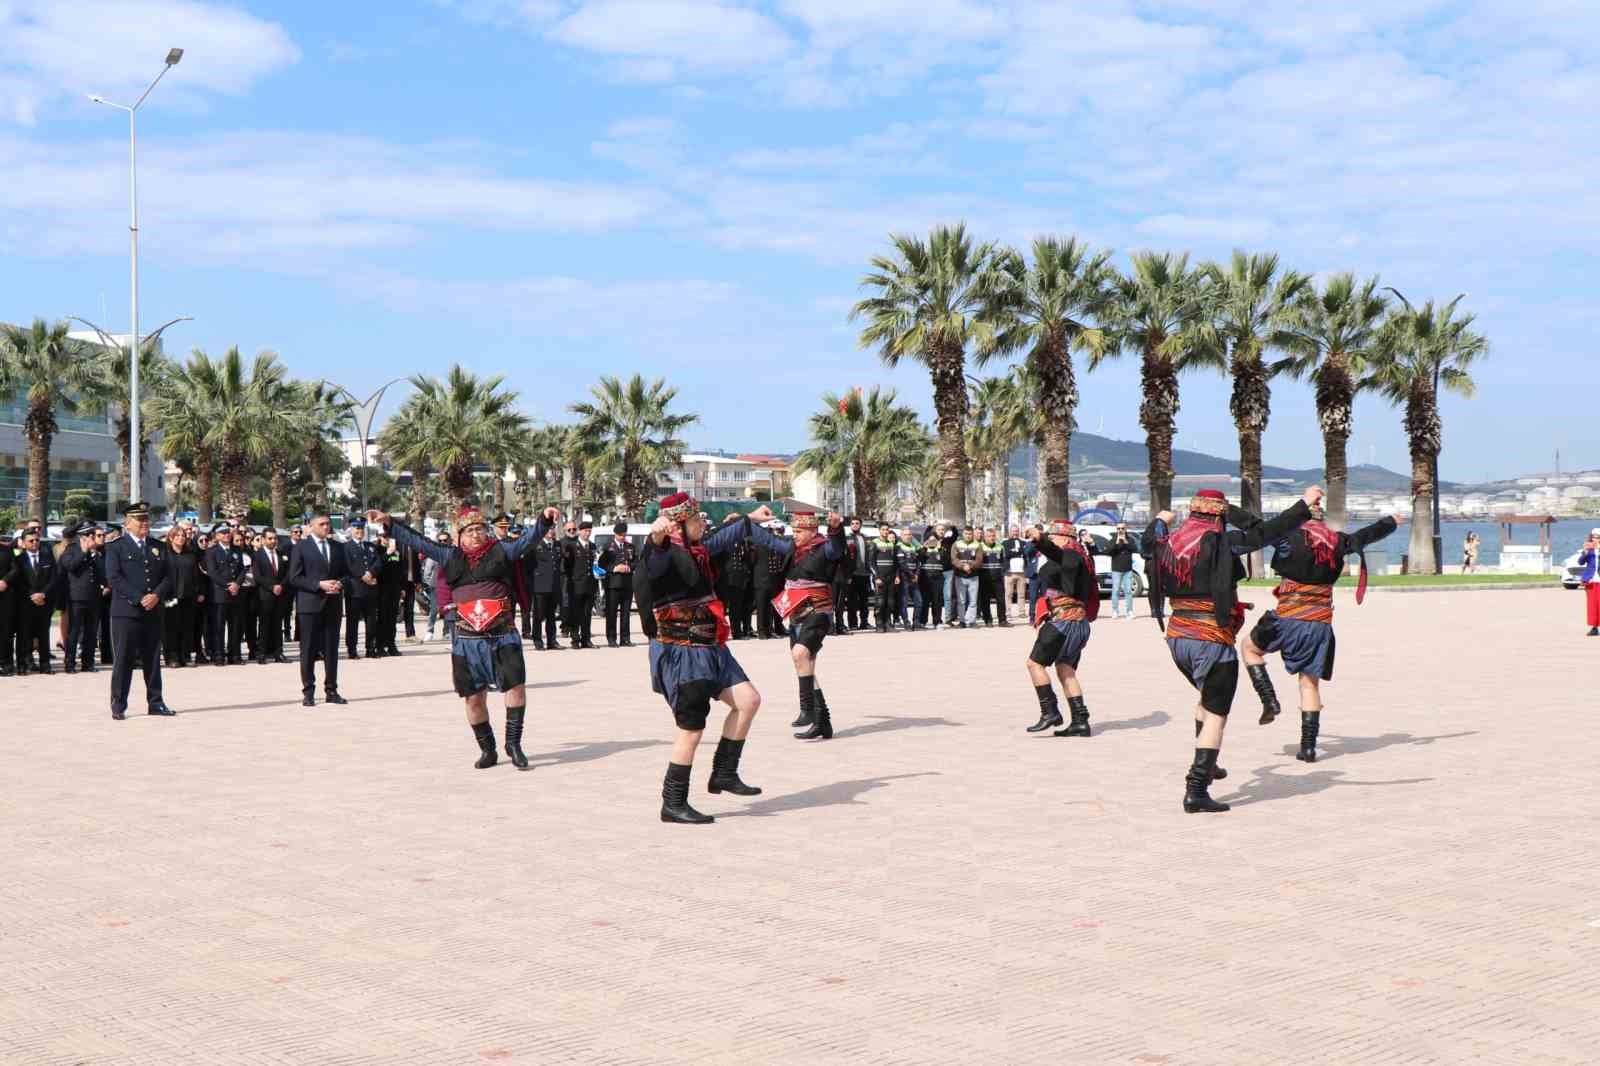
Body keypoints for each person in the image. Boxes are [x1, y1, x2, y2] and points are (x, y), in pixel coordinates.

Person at [1143, 486, 1320, 814]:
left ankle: (1209, 765)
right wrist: (1303, 504)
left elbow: (1147, 542)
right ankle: (1197, 788)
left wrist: (1159, 520)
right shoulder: (1220, 542)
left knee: (1205, 698)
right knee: (1216, 714)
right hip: (1210, 640)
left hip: (1178, 636)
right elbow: (1265, 532)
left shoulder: (1166, 542)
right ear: (1218, 515)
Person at [369, 504, 560, 769]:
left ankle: (513, 744)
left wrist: (545, 520)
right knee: (473, 696)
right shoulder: (449, 555)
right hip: (467, 639)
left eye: (480, 529)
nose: (475, 534)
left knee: (516, 687)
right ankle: (488, 749)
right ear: (459, 535)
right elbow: (417, 540)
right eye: (469, 531)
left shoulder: (503, 550)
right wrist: (390, 520)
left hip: (503, 634)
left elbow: (528, 539)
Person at [637, 495, 788, 823]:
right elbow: (654, 564)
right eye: (697, 520)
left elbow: (727, 534)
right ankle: (673, 803)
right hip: (683, 653)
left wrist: (753, 518)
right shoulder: (662, 552)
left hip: (712, 647)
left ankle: (724, 772)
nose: (703, 524)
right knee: (691, 730)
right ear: (680, 523)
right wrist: (657, 538)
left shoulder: (698, 549)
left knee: (749, 700)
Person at [1241, 506, 1402, 762]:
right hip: (1319, 622)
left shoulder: (1286, 536)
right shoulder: (1338, 541)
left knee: (1249, 648)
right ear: (1322, 518)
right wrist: (1391, 522)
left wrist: (1225, 511)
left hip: (1286, 617)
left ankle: (1269, 699)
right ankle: (1308, 748)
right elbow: (1367, 535)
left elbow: (1253, 525)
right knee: (1309, 684)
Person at [774, 511, 849, 738]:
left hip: (818, 611)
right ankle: (822, 722)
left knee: (800, 654)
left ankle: (806, 709)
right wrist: (749, 525)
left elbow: (837, 548)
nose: (794, 535)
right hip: (796, 613)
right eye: (793, 531)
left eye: (798, 531)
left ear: (812, 531)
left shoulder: (824, 548)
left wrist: (835, 529)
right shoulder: (793, 550)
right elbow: (768, 541)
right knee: (806, 665)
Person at [1023, 519, 1100, 736]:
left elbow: (1056, 554)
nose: (1051, 540)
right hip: (1077, 622)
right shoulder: (1078, 557)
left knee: (1034, 664)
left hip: (1064, 621)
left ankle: (1050, 712)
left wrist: (1040, 540)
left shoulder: (1072, 555)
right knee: (1065, 669)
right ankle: (1080, 720)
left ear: (1065, 538)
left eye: (1053, 536)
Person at [105, 502, 176, 719]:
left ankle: (156, 702)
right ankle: (118, 705)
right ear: (127, 523)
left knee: (153, 659)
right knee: (124, 659)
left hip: (153, 611)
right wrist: (139, 598)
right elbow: (114, 577)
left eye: (146, 519)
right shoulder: (116, 547)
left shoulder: (158, 546)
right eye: (140, 520)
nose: (145, 523)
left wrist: (156, 595)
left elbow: (168, 576)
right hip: (126, 612)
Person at [287, 513, 352, 707]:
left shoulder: (338, 547)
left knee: (332, 649)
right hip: (310, 605)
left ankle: (331, 690)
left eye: (328, 524)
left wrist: (339, 583)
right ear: (312, 526)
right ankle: (308, 691)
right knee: (308, 650)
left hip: (332, 605)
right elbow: (294, 577)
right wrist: (319, 584)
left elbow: (347, 574)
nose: (326, 527)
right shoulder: (301, 548)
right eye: (322, 524)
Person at [60, 521, 104, 673]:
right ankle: (70, 663)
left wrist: (93, 554)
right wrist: (84, 552)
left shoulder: (96, 552)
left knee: (91, 633)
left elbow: (101, 573)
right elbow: (71, 566)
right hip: (76, 598)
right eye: (90, 535)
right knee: (74, 632)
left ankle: (88, 662)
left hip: (93, 598)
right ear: (82, 537)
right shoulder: (71, 550)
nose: (93, 538)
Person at [15, 524, 58, 674]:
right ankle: (23, 665)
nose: (34, 543)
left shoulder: (48, 558)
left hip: (44, 602)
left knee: (43, 635)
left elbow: (53, 579)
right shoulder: (18, 560)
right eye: (31, 541)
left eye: (37, 540)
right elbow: (19, 581)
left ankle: (45, 665)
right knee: (24, 635)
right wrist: (32, 595)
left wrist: (43, 594)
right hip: (26, 603)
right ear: (24, 542)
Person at [203, 523, 245, 666]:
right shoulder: (211, 551)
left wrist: (237, 584)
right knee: (218, 626)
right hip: (219, 593)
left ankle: (235, 654)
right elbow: (212, 572)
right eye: (223, 533)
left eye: (228, 532)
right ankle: (218, 654)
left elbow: (242, 570)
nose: (227, 534)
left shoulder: (237, 550)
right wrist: (228, 585)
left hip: (235, 593)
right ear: (217, 536)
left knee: (235, 626)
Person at [163, 524, 203, 667]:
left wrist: (198, 591)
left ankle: (184, 656)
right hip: (170, 596)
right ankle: (171, 656)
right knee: (171, 626)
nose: (181, 538)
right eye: (177, 535)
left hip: (188, 595)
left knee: (186, 626)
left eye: (183, 536)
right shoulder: (165, 553)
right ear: (171, 538)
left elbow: (195, 575)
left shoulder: (190, 553)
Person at [343, 517, 381, 659]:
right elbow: (348, 565)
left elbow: (378, 562)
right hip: (355, 590)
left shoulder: (370, 546)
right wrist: (362, 575)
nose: (359, 531)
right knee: (352, 622)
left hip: (370, 589)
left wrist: (371, 573)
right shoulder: (346, 547)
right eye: (356, 528)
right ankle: (352, 649)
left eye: (361, 528)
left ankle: (370, 648)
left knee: (371, 621)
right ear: (351, 530)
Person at [254, 528, 291, 664]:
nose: (273, 541)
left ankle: (278, 652)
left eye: (274, 538)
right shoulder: (258, 555)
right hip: (265, 595)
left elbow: (288, 573)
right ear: (263, 540)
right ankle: (262, 653)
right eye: (270, 538)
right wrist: (271, 587)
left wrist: (281, 585)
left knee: (277, 625)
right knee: (264, 625)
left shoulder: (282, 554)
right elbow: (258, 576)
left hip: (280, 594)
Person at [600, 521, 637, 647]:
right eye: (620, 534)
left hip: (627, 583)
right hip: (613, 584)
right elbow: (602, 564)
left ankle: (625, 638)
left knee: (626, 612)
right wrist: (615, 568)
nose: (622, 536)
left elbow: (636, 562)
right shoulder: (608, 547)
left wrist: (628, 567)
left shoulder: (630, 547)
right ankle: (611, 638)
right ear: (615, 534)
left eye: (624, 534)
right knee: (611, 612)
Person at [564, 521, 600, 648]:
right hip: (576, 585)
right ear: (579, 531)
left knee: (587, 614)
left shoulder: (593, 546)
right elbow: (567, 567)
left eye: (589, 531)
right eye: (585, 531)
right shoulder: (572, 546)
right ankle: (575, 639)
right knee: (575, 613)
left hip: (590, 585)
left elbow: (595, 563)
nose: (587, 533)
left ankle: (586, 639)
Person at [529, 522, 564, 650]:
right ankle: (538, 641)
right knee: (538, 615)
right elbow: (529, 565)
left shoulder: (557, 545)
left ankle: (552, 640)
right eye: (549, 529)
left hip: (553, 585)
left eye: (553, 528)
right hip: (540, 585)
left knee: (551, 616)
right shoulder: (536, 545)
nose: (551, 531)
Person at [374, 530, 406, 656]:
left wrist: (402, 587)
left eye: (389, 536)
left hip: (394, 589)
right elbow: (377, 566)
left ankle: (391, 644)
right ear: (380, 537)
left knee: (392, 619)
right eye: (384, 536)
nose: (387, 538)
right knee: (382, 618)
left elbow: (401, 570)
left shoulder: (397, 551)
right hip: (381, 589)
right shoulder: (377, 550)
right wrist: (387, 553)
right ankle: (380, 646)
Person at [868, 522, 900, 633]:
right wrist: (876, 577)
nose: (885, 532)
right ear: (879, 531)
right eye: (883, 529)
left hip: (891, 578)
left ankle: (888, 623)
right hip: (879, 578)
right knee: (880, 602)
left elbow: (896, 563)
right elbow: (871, 563)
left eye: (887, 529)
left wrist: (896, 576)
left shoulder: (892, 544)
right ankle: (879, 624)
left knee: (890, 602)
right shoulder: (874, 543)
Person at [951, 527, 983, 627]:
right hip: (960, 576)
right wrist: (962, 566)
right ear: (963, 534)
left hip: (973, 576)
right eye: (966, 533)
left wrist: (971, 566)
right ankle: (962, 621)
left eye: (970, 534)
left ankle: (972, 621)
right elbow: (953, 559)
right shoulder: (956, 544)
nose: (968, 535)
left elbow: (979, 560)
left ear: (972, 534)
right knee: (961, 601)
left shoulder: (977, 545)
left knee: (973, 601)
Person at [845, 517, 871, 632]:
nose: (855, 525)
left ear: (861, 525)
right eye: (853, 523)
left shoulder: (865, 538)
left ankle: (864, 622)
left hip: (865, 574)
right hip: (852, 574)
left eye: (857, 523)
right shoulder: (847, 538)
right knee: (851, 601)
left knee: (864, 601)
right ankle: (853, 624)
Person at [1108, 523, 1138, 619]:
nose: (1120, 530)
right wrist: (1117, 542)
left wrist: (1125, 541)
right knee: (1115, 590)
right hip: (1116, 569)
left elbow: (1135, 549)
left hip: (1127, 569)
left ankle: (1129, 611)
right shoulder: (1113, 540)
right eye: (1118, 528)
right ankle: (1115, 611)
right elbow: (1109, 551)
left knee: (1128, 591)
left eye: (1122, 528)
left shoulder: (1130, 540)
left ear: (1126, 529)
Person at [897, 527, 924, 630]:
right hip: (904, 578)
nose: (908, 537)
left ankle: (916, 622)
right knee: (904, 602)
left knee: (919, 601)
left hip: (914, 579)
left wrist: (916, 574)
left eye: (909, 535)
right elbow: (902, 564)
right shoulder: (899, 547)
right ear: (901, 536)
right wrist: (912, 575)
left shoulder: (914, 547)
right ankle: (906, 622)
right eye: (905, 535)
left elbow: (918, 563)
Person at [979, 526, 1006, 626]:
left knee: (1001, 599)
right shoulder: (980, 546)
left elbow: (1003, 561)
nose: (992, 538)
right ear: (985, 537)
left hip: (998, 577)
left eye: (993, 536)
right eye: (989, 536)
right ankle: (988, 620)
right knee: (985, 600)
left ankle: (1002, 620)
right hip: (984, 577)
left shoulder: (1000, 546)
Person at [1001, 524, 1028, 623]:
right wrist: (1017, 552)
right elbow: (1007, 554)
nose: (1015, 532)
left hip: (1021, 572)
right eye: (1013, 531)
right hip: (1009, 572)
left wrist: (1016, 552)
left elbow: (1025, 554)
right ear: (1010, 532)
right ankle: (1008, 612)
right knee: (1008, 594)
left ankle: (1021, 612)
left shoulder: (1023, 542)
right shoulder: (1005, 542)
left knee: (1022, 594)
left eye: (1016, 531)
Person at [919, 529, 944, 629]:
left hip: (937, 579)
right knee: (925, 601)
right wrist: (924, 547)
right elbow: (920, 557)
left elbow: (945, 561)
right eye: (930, 540)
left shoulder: (941, 550)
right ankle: (922, 621)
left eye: (934, 540)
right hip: (925, 579)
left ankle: (937, 622)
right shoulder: (923, 550)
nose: (932, 542)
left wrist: (939, 548)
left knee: (937, 601)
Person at [1578, 530, 1600, 637]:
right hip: (1591, 581)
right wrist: (1585, 552)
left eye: (1597, 537)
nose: (1595, 539)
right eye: (1593, 537)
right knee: (1592, 605)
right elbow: (1580, 562)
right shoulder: (1589, 550)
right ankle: (1594, 628)